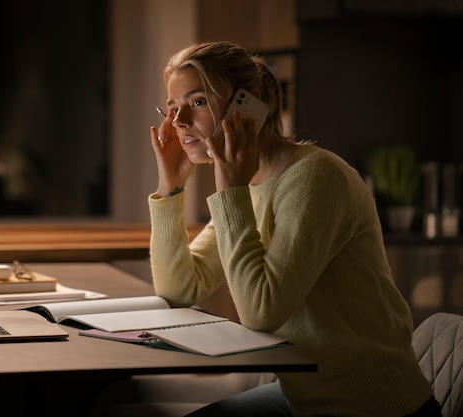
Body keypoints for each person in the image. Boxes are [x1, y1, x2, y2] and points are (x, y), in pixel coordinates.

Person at [141, 41, 439, 416]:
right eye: (171, 108)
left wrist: (230, 189)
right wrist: (171, 188)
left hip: (371, 407)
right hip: (304, 400)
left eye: (197, 102)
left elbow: (261, 311)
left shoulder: (316, 178)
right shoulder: (248, 185)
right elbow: (179, 289)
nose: (179, 121)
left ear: (248, 104)